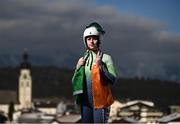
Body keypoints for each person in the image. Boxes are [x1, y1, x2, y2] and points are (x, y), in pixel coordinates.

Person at [72, 22, 117, 123]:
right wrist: (77, 68)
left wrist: (100, 65)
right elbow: (74, 82)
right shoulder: (83, 59)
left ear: (99, 40)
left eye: (94, 38)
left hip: (101, 102)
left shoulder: (106, 58)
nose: (91, 41)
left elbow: (113, 79)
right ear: (85, 41)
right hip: (86, 103)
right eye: (88, 39)